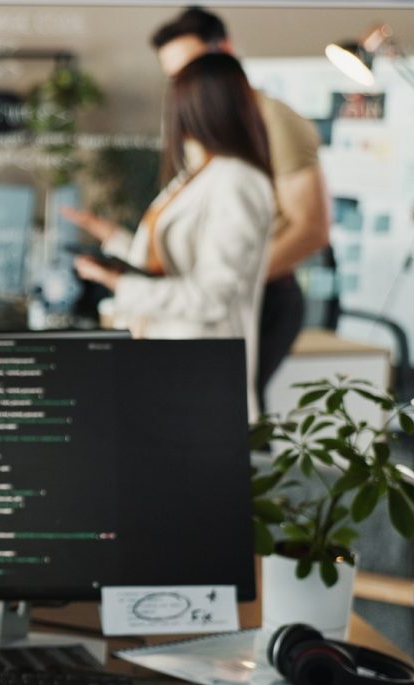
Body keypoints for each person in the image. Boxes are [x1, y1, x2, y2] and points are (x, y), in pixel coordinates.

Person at [80, 6, 330, 407]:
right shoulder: (202, 167)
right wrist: (118, 245)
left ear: (222, 56)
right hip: (190, 324)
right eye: (175, 76)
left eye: (191, 71)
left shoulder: (259, 146)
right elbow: (188, 256)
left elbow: (310, 229)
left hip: (256, 300)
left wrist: (241, 276)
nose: (182, 85)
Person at [64, 52, 276, 418]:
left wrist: (119, 284)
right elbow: (166, 267)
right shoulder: (199, 174)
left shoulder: (236, 181)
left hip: (198, 376)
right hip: (168, 368)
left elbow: (211, 297)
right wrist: (113, 239)